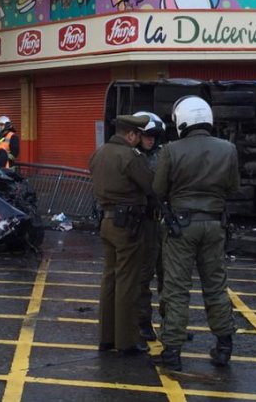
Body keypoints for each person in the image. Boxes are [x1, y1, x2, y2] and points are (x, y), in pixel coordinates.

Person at [154, 96, 239, 371]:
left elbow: (158, 190)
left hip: (181, 226)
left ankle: (172, 353)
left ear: (182, 121)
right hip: (215, 225)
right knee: (215, 286)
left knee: (177, 289)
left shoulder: (171, 150)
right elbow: (234, 188)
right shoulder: (228, 149)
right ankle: (224, 346)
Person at [89, 113, 155, 356]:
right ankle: (127, 341)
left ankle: (106, 338)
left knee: (110, 279)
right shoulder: (130, 156)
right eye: (138, 136)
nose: (139, 140)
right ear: (130, 134)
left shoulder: (99, 153)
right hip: (128, 225)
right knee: (128, 282)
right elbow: (151, 186)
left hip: (106, 221)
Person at [132, 110, 166, 341]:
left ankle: (170, 323)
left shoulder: (165, 155)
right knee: (144, 276)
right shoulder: (132, 158)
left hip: (164, 223)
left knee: (169, 276)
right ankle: (144, 322)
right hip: (143, 224)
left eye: (154, 135)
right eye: (147, 135)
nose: (151, 139)